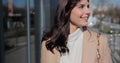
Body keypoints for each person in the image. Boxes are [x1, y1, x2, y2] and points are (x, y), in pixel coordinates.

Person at [41, 0, 112, 63]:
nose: (88, 11)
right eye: (81, 6)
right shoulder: (48, 43)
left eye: (88, 6)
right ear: (67, 9)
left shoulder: (100, 42)